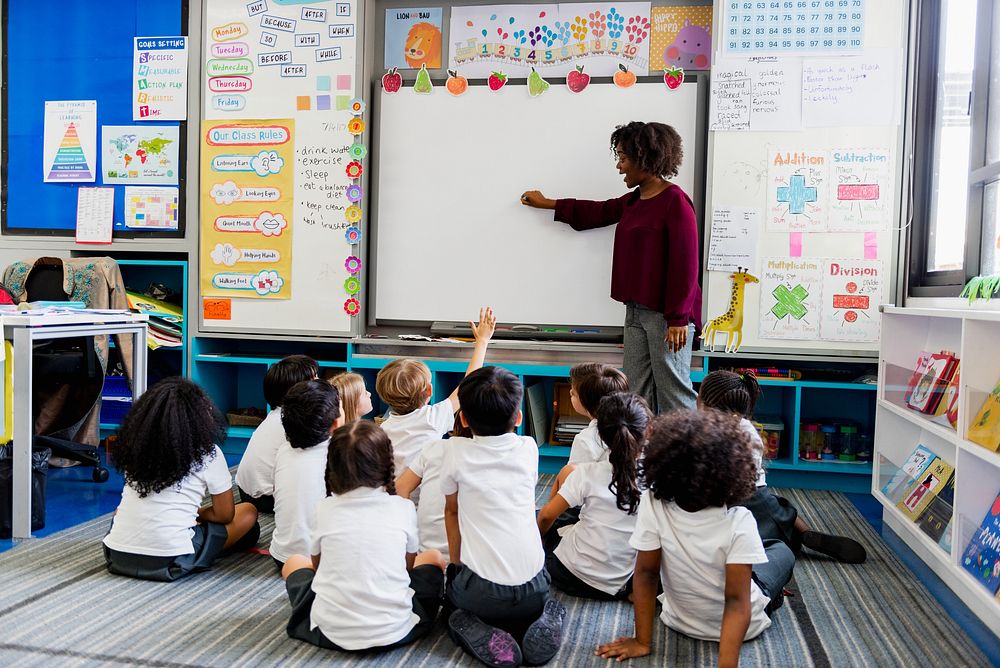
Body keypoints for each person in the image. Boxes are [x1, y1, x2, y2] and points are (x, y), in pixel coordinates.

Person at [521, 121, 700, 414]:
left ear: (645, 158)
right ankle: (638, 454)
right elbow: (598, 211)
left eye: (624, 158)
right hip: (635, 311)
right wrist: (548, 204)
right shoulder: (634, 201)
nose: (619, 166)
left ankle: (685, 457)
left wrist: (679, 318)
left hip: (667, 319)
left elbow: (686, 264)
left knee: (673, 392)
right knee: (635, 391)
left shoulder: (675, 201)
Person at [597, 410, 794, 665]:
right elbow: (736, 601)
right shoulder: (739, 521)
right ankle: (771, 596)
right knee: (780, 550)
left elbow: (645, 574)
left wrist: (642, 642)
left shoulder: (653, 503)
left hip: (679, 621)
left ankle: (759, 578)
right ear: (733, 471)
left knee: (754, 555)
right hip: (744, 626)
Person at [281, 421, 447, 653]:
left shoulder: (324, 508)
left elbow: (318, 568)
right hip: (398, 630)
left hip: (330, 633)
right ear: (387, 463)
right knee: (434, 558)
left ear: (332, 467)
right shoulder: (403, 507)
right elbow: (407, 569)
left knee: (293, 563)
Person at [441, 366, 566, 667]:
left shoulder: (455, 451)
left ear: (464, 418)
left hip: (481, 596)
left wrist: (457, 570)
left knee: (449, 602)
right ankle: (544, 616)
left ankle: (468, 623)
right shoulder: (529, 447)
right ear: (519, 418)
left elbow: (452, 511)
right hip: (536, 589)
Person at [698, 370, 867, 564]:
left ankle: (774, 543)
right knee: (781, 505)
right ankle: (806, 533)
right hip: (762, 505)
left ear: (702, 404)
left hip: (728, 512)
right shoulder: (747, 429)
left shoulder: (701, 431)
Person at [102, 378, 260, 582]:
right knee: (248, 512)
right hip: (171, 559)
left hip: (116, 554)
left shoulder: (136, 448)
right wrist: (198, 514)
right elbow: (224, 514)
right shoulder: (208, 453)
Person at [537, 392, 650, 600]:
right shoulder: (657, 476)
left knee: (553, 521)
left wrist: (538, 540)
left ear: (600, 435)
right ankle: (631, 591)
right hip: (622, 582)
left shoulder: (587, 473)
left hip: (573, 576)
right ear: (647, 431)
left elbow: (545, 516)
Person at [378, 306, 495, 478]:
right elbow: (470, 383)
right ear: (430, 391)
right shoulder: (432, 418)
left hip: (395, 497)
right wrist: (482, 342)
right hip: (428, 495)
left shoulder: (383, 428)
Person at [269, 379, 343, 569]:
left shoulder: (283, 450)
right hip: (326, 559)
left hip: (282, 556)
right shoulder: (342, 453)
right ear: (336, 423)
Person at [236, 355, 319, 513]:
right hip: (267, 498)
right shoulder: (295, 421)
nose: (320, 382)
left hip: (246, 492)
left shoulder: (277, 414)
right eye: (314, 379)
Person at [566, 363, 629, 466]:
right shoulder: (634, 429)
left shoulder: (584, 440)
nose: (570, 392)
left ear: (586, 400)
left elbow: (575, 477)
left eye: (573, 393)